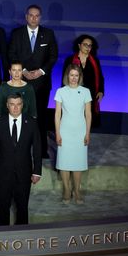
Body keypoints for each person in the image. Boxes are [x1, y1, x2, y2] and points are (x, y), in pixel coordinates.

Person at [8, 4, 58, 158]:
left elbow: (53, 56)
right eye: (31, 15)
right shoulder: (17, 34)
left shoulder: (48, 34)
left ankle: (41, 150)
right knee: (18, 116)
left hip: (41, 84)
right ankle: (17, 149)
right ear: (26, 17)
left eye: (37, 16)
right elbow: (11, 54)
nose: (34, 18)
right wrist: (22, 71)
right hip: (20, 82)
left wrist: (40, 72)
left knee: (40, 118)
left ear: (40, 18)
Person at [0, 93, 42, 225]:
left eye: (18, 104)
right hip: (3, 173)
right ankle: (2, 237)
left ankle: (22, 238)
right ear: (7, 105)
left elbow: (37, 149)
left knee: (23, 208)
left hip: (24, 173)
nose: (15, 108)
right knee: (2, 207)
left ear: (22, 105)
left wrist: (37, 171)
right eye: (12, 104)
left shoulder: (31, 123)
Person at [54, 63, 92, 205]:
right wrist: (57, 133)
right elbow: (57, 114)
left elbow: (88, 114)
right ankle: (66, 189)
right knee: (64, 163)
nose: (74, 78)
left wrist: (87, 133)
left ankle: (77, 190)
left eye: (76, 75)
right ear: (67, 76)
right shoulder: (61, 91)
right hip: (65, 130)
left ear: (80, 77)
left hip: (80, 131)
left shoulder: (85, 92)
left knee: (78, 162)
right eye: (71, 75)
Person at [62, 34, 105, 128]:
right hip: (73, 94)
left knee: (87, 120)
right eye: (85, 44)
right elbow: (64, 78)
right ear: (79, 45)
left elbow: (100, 77)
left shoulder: (94, 61)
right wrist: (64, 94)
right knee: (74, 120)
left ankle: (84, 140)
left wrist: (101, 91)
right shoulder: (70, 60)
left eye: (90, 45)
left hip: (90, 94)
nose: (88, 47)